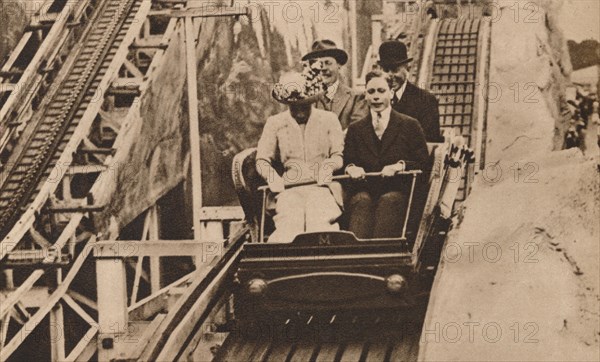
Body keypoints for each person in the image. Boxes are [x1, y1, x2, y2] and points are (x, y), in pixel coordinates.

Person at [255, 72, 345, 243]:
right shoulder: (275, 123)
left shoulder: (329, 119)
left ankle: (324, 264)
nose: (300, 111)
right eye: (294, 106)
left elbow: (337, 155)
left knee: (319, 223)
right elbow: (262, 159)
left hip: (321, 187)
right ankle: (287, 267)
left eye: (305, 105)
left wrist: (327, 167)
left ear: (313, 101)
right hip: (289, 188)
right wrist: (272, 177)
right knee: (288, 224)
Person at [343, 70, 429, 239]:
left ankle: (381, 256)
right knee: (361, 201)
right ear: (365, 95)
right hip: (366, 190)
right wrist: (351, 168)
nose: (376, 97)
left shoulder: (410, 125)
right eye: (371, 91)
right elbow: (347, 160)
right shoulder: (356, 129)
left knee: (389, 201)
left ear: (391, 93)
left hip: (398, 191)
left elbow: (423, 162)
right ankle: (355, 257)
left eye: (381, 91)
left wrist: (399, 166)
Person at [378, 40, 443, 143]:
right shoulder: (373, 100)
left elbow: (429, 142)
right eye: (386, 70)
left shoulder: (425, 100)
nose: (390, 76)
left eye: (395, 70)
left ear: (407, 67)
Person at [302, 39, 368, 129]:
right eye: (319, 64)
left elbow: (357, 132)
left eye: (328, 63)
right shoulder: (305, 100)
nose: (323, 68)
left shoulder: (356, 98)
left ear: (338, 65)